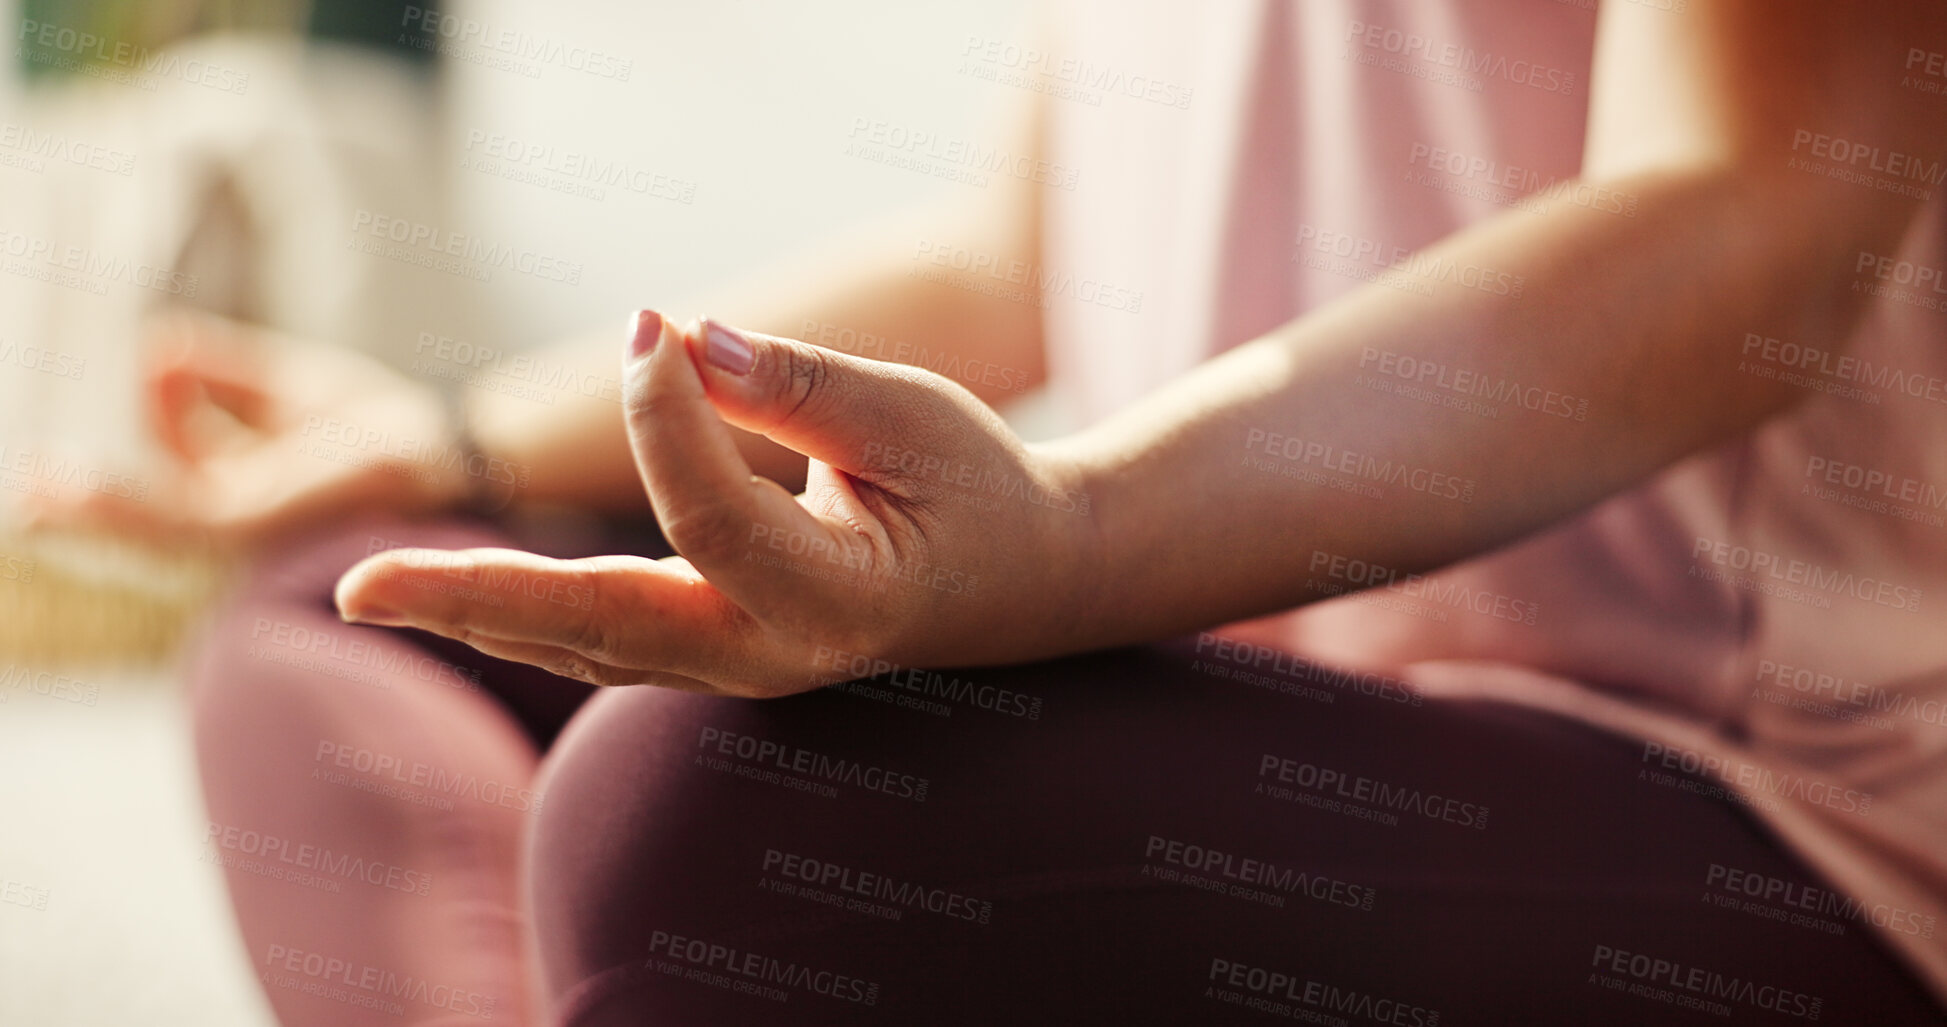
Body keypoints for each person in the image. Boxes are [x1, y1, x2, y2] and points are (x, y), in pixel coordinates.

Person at [49, 1, 1947, 1023]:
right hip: (1270, 681)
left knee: (718, 801)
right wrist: (457, 441)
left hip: (1745, 785)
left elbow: (1758, 208)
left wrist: (1076, 529)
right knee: (351, 608)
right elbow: (1013, 259)